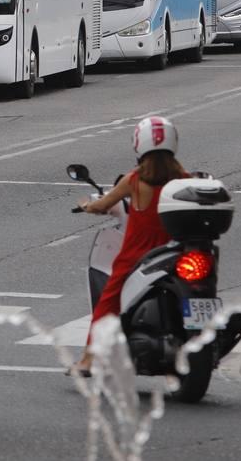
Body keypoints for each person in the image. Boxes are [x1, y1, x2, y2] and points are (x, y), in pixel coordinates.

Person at [70, 115, 188, 377]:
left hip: (138, 256)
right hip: (176, 252)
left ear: (139, 144)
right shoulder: (183, 178)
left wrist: (88, 206)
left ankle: (89, 360)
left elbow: (103, 205)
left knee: (108, 303)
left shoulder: (134, 180)